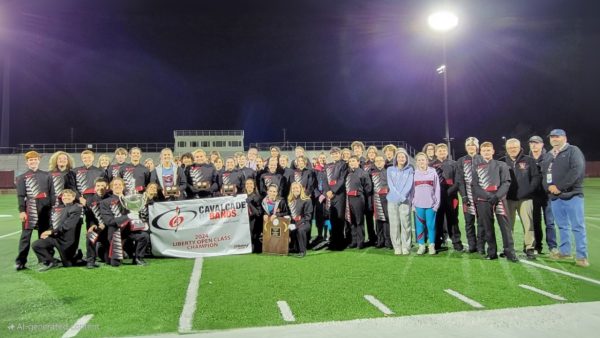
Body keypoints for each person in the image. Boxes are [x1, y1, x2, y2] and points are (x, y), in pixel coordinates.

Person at [541, 129, 588, 267]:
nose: (554, 139)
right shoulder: (549, 155)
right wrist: (548, 187)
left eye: (557, 136)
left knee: (577, 226)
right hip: (555, 197)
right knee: (562, 226)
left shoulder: (573, 151)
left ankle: (582, 256)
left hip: (572, 195)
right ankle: (565, 251)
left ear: (564, 138)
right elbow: (544, 175)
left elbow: (576, 170)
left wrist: (559, 187)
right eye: (552, 137)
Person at [472, 142, 517, 262]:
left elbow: (506, 182)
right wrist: (488, 196)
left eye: (488, 150)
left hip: (500, 200)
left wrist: (496, 196)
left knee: (505, 227)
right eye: (484, 150)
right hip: (483, 200)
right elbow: (475, 185)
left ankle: (509, 252)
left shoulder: (501, 165)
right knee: (487, 227)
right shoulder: (476, 167)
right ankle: (491, 252)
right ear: (480, 153)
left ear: (493, 151)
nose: (486, 152)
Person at [15, 151, 55, 271]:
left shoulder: (47, 175)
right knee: (25, 236)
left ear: (38, 160)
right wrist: (22, 210)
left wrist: (53, 208)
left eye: (35, 159)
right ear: (27, 162)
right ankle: (21, 261)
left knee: (44, 234)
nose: (33, 161)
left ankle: (46, 259)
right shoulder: (21, 177)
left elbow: (52, 193)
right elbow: (21, 196)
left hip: (45, 207)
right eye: (30, 160)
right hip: (30, 208)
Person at [502, 138, 541, 260]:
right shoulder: (502, 162)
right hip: (508, 199)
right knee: (508, 225)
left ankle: (529, 248)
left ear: (519, 147)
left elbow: (536, 177)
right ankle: (509, 248)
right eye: (509, 148)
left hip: (526, 198)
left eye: (514, 147)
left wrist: (528, 191)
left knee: (528, 223)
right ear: (506, 149)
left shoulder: (529, 160)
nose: (512, 150)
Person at [100, 178, 150, 266]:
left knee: (144, 236)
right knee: (115, 264)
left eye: (120, 184)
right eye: (115, 185)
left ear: (123, 187)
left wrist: (142, 223)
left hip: (129, 230)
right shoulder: (105, 202)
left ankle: (138, 258)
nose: (118, 186)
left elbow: (137, 213)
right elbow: (109, 221)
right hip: (115, 231)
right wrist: (127, 216)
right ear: (111, 187)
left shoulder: (130, 199)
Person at [32, 189, 81, 271]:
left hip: (66, 241)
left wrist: (51, 232)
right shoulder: (56, 209)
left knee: (68, 264)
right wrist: (48, 232)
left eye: (69, 196)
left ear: (73, 198)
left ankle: (77, 257)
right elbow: (53, 224)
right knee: (36, 244)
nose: (66, 197)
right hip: (55, 237)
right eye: (64, 195)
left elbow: (67, 226)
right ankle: (52, 262)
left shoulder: (76, 208)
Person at [431, 143, 463, 252]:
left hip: (451, 196)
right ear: (436, 152)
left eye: (444, 150)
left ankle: (456, 242)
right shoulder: (431, 165)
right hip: (437, 197)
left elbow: (458, 180)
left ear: (447, 152)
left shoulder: (454, 164)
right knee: (438, 220)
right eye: (439, 151)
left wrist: (448, 192)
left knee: (453, 220)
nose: (442, 152)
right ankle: (438, 241)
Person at [529, 135, 557, 255]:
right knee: (535, 222)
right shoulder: (526, 159)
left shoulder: (549, 157)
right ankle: (537, 246)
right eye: (531, 143)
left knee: (549, 222)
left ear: (542, 145)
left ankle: (552, 247)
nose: (534, 145)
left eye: (536, 143)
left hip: (547, 195)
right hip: (533, 196)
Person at [456, 137, 483, 253]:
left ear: (476, 146)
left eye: (473, 145)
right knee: (469, 221)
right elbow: (460, 180)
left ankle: (481, 245)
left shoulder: (482, 159)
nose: (471, 147)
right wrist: (464, 196)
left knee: (481, 221)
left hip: (481, 195)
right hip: (467, 194)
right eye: (468, 145)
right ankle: (472, 245)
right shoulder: (461, 160)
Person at [386, 148, 414, 255]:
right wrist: (398, 196)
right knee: (394, 224)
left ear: (406, 158)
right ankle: (397, 246)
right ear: (396, 158)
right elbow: (391, 185)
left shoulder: (410, 170)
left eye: (403, 157)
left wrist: (402, 197)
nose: (401, 158)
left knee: (406, 224)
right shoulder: (390, 169)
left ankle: (406, 246)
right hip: (392, 200)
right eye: (399, 157)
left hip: (405, 200)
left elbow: (409, 185)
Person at [412, 153, 441, 255]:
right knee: (419, 226)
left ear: (427, 161)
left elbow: (437, 189)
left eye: (423, 160)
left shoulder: (433, 172)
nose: (421, 162)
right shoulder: (414, 173)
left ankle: (432, 245)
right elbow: (412, 191)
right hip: (418, 205)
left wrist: (436, 205)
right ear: (416, 162)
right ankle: (421, 246)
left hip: (430, 205)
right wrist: (413, 204)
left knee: (431, 226)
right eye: (419, 160)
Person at [345, 155, 373, 249]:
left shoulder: (363, 173)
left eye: (354, 161)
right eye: (350, 161)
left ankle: (360, 242)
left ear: (358, 162)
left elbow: (368, 189)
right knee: (351, 221)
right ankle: (354, 241)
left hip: (358, 198)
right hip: (348, 199)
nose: (352, 163)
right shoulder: (348, 174)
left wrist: (366, 201)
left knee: (359, 221)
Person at [325, 147, 348, 250]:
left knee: (339, 218)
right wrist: (327, 191)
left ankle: (340, 242)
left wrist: (333, 191)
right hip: (329, 195)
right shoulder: (328, 166)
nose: (335, 155)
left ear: (340, 154)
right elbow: (325, 180)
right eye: (333, 154)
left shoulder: (344, 164)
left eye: (336, 153)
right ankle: (333, 240)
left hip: (339, 195)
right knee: (332, 219)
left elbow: (342, 180)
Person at [84, 178, 110, 268]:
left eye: (103, 185)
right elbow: (89, 217)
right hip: (97, 228)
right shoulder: (90, 200)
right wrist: (92, 225)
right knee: (90, 236)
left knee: (110, 261)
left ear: (107, 187)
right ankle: (90, 260)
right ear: (95, 188)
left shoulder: (111, 198)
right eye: (98, 186)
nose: (100, 188)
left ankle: (100, 250)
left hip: (109, 229)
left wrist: (105, 224)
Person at [288, 182, 314, 257]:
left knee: (300, 230)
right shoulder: (290, 200)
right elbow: (290, 214)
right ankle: (294, 248)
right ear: (291, 190)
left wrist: (296, 225)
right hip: (293, 223)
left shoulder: (307, 200)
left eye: (297, 187)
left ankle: (303, 251)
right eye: (293, 188)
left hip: (305, 223)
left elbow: (307, 217)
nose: (295, 189)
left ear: (301, 189)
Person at [371, 155, 391, 249]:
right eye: (377, 161)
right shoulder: (371, 173)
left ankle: (388, 241)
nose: (379, 162)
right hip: (375, 198)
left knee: (387, 219)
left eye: (380, 160)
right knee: (378, 219)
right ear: (374, 163)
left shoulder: (388, 172)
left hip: (386, 198)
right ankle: (380, 240)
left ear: (384, 162)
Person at [311, 152, 330, 247]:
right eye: (321, 157)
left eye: (324, 157)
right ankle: (319, 234)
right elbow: (313, 184)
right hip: (318, 197)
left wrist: (325, 194)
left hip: (327, 197)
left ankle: (327, 235)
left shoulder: (329, 169)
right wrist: (318, 195)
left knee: (328, 216)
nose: (322, 159)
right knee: (319, 217)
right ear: (318, 159)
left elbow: (330, 183)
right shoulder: (315, 170)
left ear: (326, 158)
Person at [244, 179, 263, 253]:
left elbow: (258, 213)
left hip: (254, 222)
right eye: (247, 184)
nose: (249, 185)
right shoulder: (242, 196)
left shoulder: (258, 197)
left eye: (251, 184)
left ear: (254, 186)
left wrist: (250, 204)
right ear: (245, 186)